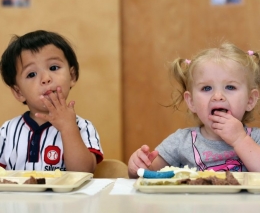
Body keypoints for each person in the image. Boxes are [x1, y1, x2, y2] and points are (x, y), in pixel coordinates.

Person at [128, 43, 260, 178]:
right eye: (207, 88)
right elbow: (149, 173)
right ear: (191, 102)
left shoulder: (255, 139)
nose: (218, 96)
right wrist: (140, 167)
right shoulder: (181, 141)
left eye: (230, 87)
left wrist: (240, 139)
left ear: (250, 100)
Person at [0, 30, 103, 172]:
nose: (46, 78)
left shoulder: (83, 127)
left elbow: (83, 172)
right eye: (32, 74)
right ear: (19, 92)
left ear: (72, 76)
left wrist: (68, 128)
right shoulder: (7, 131)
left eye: (54, 67)